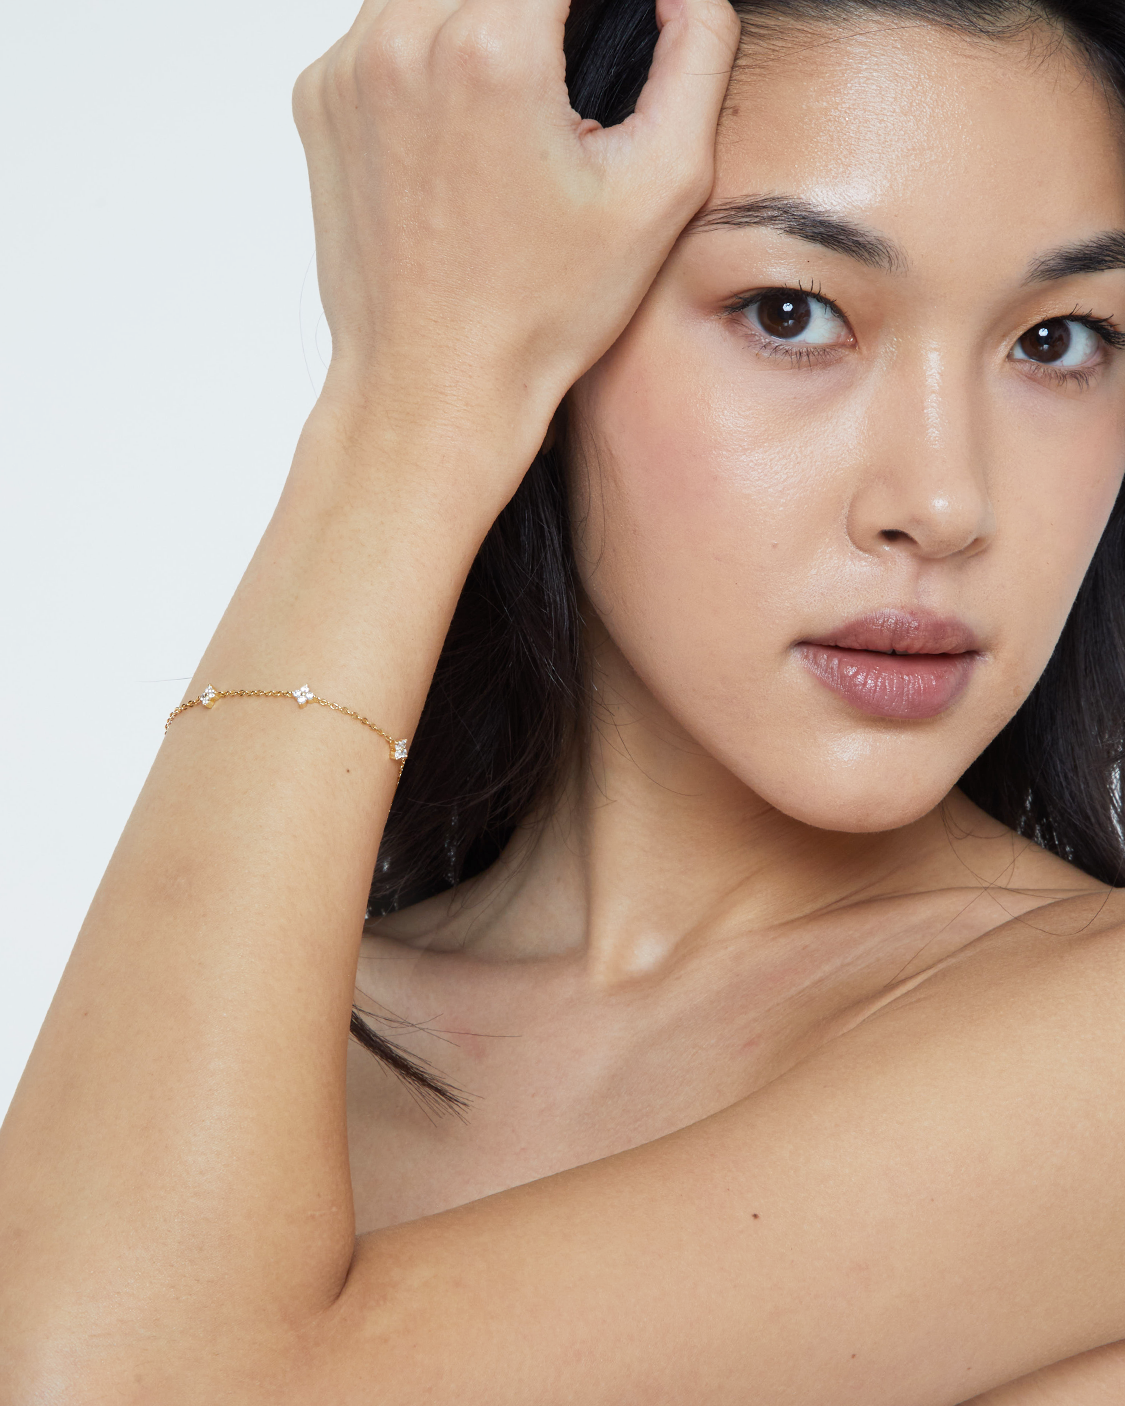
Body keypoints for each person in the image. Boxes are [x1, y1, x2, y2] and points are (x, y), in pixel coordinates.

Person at [3, 0, 1125, 1398]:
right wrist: (421, 376)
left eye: (1062, 341)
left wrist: (393, 415)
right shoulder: (242, 1058)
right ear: (542, 309)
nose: (946, 502)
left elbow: (115, 1379)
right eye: (793, 312)